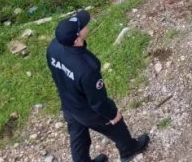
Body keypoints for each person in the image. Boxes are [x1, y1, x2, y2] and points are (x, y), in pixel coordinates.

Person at [46, 10, 150, 162]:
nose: (86, 25)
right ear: (77, 39)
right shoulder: (87, 67)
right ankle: (129, 149)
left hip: (68, 103)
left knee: (78, 137)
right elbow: (98, 101)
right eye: (82, 26)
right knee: (116, 126)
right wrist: (113, 115)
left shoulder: (53, 48)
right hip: (86, 110)